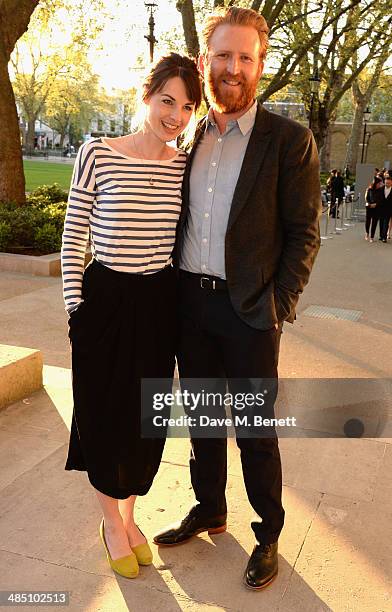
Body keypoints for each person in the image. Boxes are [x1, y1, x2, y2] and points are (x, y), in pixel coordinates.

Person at [153, 6, 321, 591]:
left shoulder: (289, 141)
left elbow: (305, 233)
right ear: (206, 61)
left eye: (244, 57)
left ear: (260, 65)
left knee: (254, 431)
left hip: (250, 313)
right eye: (222, 55)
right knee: (201, 421)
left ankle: (268, 531)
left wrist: (278, 305)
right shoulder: (189, 133)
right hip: (190, 308)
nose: (233, 67)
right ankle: (209, 508)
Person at [61, 53, 202, 579]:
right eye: (168, 101)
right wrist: (77, 309)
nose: (176, 115)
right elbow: (75, 237)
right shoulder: (97, 152)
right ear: (146, 96)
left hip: (158, 303)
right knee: (102, 417)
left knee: (146, 422)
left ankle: (130, 516)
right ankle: (110, 522)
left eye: (187, 107)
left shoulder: (183, 164)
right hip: (105, 301)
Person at [379, 173, 392, 242]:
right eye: (386, 183)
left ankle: (384, 237)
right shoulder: (381, 189)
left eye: (389, 183)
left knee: (386, 223)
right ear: (384, 182)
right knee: (381, 222)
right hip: (381, 209)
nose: (387, 184)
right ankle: (381, 236)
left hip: (389, 209)